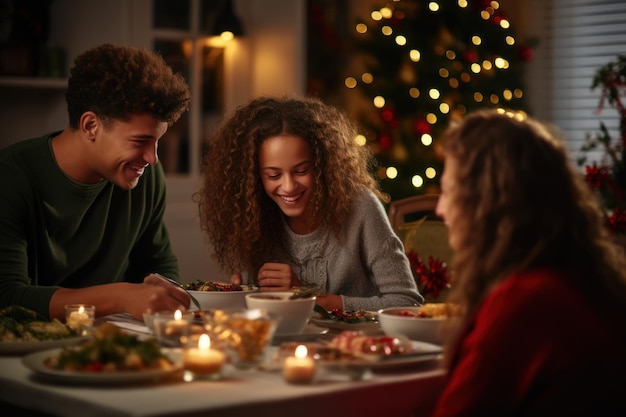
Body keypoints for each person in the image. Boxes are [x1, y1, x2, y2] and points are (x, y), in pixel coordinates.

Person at [430, 109, 626, 416]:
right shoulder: (583, 279)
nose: (440, 209)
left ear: (489, 205)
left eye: (448, 192)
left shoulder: (525, 302)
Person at [0, 43, 193, 321]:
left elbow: (158, 262)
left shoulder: (146, 177)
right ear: (91, 126)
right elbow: (7, 297)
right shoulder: (11, 178)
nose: (152, 158)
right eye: (140, 141)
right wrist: (122, 296)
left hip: (115, 342)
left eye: (157, 141)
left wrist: (165, 295)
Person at [197, 95, 423, 311]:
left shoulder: (360, 205)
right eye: (273, 175)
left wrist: (309, 296)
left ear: (323, 165)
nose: (289, 187)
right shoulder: (250, 215)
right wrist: (240, 294)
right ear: (254, 177)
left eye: (301, 171)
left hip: (358, 346)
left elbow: (407, 302)